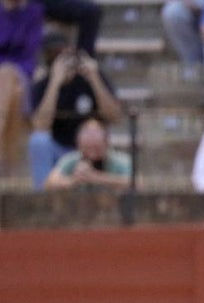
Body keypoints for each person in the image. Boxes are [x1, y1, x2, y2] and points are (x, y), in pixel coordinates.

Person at [27, 32, 123, 190]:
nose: (59, 59)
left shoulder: (91, 78)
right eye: (52, 54)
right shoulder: (42, 85)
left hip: (91, 148)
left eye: (62, 53)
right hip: (59, 148)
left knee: (94, 131)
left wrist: (94, 78)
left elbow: (114, 116)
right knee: (38, 141)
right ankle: (42, 194)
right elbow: (40, 125)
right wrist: (55, 83)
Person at [0, 0, 41, 174]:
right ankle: (7, 164)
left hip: (21, 72)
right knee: (15, 95)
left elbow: (30, 53)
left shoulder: (33, 11)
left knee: (9, 78)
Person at [42, 117, 131, 191]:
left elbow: (137, 183)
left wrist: (97, 178)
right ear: (79, 145)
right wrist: (73, 181)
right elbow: (49, 184)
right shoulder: (71, 160)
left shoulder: (121, 161)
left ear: (106, 144)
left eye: (96, 148)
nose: (92, 155)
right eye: (87, 149)